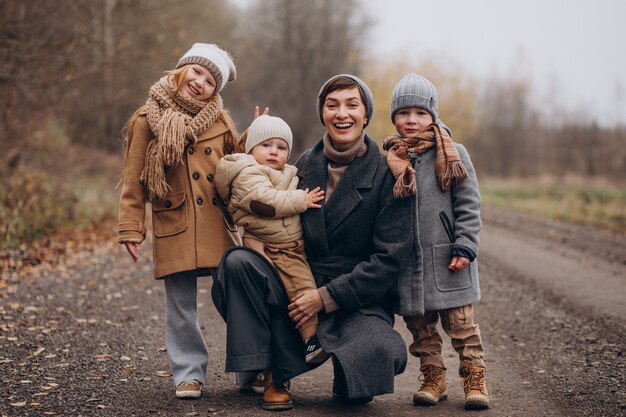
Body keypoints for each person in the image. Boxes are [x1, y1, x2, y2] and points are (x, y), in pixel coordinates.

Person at [211, 74, 414, 411]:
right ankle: (268, 370)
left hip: (355, 298)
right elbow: (256, 194)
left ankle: (347, 370)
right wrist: (253, 239)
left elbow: (390, 260)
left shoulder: (387, 173)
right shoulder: (303, 163)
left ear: (366, 114)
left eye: (352, 104)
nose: (342, 113)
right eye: (332, 105)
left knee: (373, 357)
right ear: (323, 113)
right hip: (297, 281)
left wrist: (325, 298)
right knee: (237, 263)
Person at [117, 43, 241, 399]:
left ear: (216, 91)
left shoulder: (221, 121)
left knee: (236, 295)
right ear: (181, 69)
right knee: (180, 302)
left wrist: (257, 134)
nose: (200, 82)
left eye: (210, 81)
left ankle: (252, 367)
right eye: (196, 72)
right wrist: (131, 227)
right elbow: (133, 178)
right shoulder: (146, 119)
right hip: (176, 220)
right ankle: (188, 372)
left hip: (217, 221)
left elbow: (240, 166)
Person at [383, 73, 489, 410]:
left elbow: (469, 204)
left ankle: (474, 378)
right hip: (409, 262)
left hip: (448, 256)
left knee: (461, 325)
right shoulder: (391, 158)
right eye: (403, 113)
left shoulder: (453, 153)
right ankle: (434, 376)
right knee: (421, 327)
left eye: (420, 112)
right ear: (394, 118)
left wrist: (465, 244)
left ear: (432, 115)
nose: (411, 120)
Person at [214, 114, 329, 364]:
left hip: (292, 244)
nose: (274, 152)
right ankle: (310, 340)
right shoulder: (246, 172)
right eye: (266, 145)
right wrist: (302, 200)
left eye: (281, 147)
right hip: (278, 248)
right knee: (303, 290)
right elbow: (265, 203)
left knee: (303, 289)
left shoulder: (287, 172)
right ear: (250, 148)